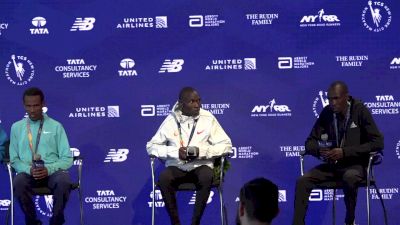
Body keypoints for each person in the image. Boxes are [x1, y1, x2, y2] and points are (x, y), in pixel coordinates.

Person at [293, 81, 384, 225]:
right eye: (329, 99)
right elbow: (309, 142)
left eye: (336, 98)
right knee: (303, 181)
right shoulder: (327, 113)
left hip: (355, 166)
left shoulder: (360, 111)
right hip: (332, 166)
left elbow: (377, 143)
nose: (332, 103)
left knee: (349, 177)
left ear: (346, 97)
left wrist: (345, 152)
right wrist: (319, 151)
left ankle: (349, 221)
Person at [146, 87, 232, 225]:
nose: (197, 105)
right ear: (181, 104)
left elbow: (227, 145)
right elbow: (151, 147)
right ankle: (175, 222)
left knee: (207, 176)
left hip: (201, 165)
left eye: (199, 101)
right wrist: (175, 152)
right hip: (177, 166)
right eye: (192, 101)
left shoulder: (208, 118)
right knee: (164, 178)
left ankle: (195, 223)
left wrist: (201, 152)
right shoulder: (170, 121)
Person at [10, 87, 73, 225]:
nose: (32, 110)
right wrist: (29, 170)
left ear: (43, 104)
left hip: (52, 173)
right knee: (18, 182)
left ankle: (56, 221)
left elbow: (67, 158)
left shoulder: (56, 126)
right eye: (28, 106)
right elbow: (14, 159)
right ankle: (32, 222)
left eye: (36, 105)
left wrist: (49, 169)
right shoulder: (16, 127)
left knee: (64, 181)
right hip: (28, 172)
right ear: (23, 105)